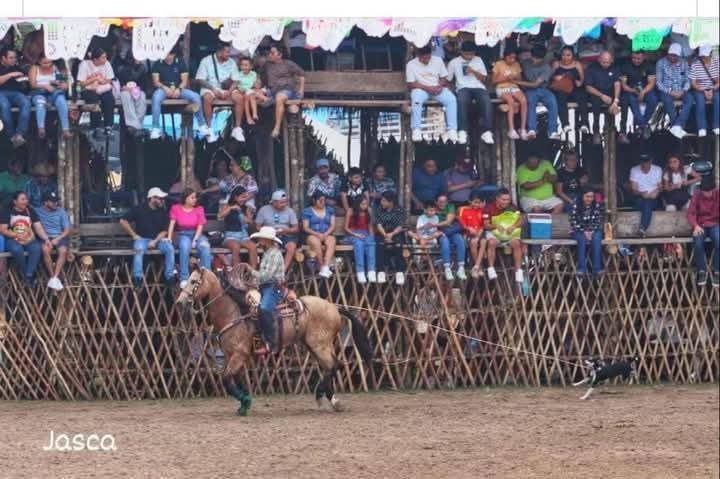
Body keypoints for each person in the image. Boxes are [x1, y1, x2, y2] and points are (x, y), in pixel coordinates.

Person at [120, 187, 176, 288]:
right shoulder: (139, 209)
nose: (162, 201)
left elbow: (164, 231)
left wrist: (155, 241)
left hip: (158, 240)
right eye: (160, 198)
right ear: (152, 198)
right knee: (139, 248)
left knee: (170, 248)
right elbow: (123, 221)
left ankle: (169, 277)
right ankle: (138, 278)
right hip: (142, 239)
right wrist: (134, 235)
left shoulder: (163, 212)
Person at [150, 47, 210, 140]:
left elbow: (184, 80)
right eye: (166, 54)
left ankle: (202, 125)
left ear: (174, 54)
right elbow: (156, 82)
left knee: (196, 96)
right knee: (156, 97)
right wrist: (165, 88)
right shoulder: (158, 63)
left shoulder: (180, 62)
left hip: (179, 89)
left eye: (170, 54)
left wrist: (179, 89)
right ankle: (155, 127)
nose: (168, 57)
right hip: (164, 89)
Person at [406, 44, 458, 143]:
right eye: (423, 58)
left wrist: (440, 86)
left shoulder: (438, 60)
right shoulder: (411, 64)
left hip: (436, 88)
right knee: (416, 100)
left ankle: (452, 129)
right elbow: (411, 84)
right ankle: (416, 129)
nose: (426, 60)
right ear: (418, 55)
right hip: (420, 89)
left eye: (428, 57)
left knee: (451, 99)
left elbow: (443, 77)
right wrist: (427, 88)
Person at [194, 42, 245, 143]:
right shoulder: (206, 61)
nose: (229, 54)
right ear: (219, 52)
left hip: (227, 89)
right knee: (207, 97)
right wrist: (213, 90)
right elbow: (200, 80)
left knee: (239, 97)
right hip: (210, 87)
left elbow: (236, 80)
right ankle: (209, 128)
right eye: (227, 52)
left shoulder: (231, 62)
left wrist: (229, 92)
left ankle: (237, 129)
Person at [446, 41, 494, 145]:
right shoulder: (454, 62)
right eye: (466, 54)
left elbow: (484, 79)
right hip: (463, 87)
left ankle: (487, 131)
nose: (469, 56)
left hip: (478, 87)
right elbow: (448, 80)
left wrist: (473, 71)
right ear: (461, 52)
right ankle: (462, 131)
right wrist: (451, 91)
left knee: (486, 100)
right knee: (462, 100)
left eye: (471, 54)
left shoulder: (478, 60)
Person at [249, 226, 286, 354]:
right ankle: (256, 338)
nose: (259, 239)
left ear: (267, 240)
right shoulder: (267, 252)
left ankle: (271, 343)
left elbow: (266, 276)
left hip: (273, 286)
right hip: (265, 286)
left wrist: (251, 272)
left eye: (261, 238)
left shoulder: (275, 254)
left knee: (264, 308)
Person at [166, 189, 212, 288]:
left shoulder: (199, 209)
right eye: (192, 197)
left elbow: (200, 226)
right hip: (183, 234)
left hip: (196, 234)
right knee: (184, 246)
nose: (195, 199)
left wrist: (195, 240)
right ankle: (184, 278)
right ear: (185, 198)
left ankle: (207, 277)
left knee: (205, 247)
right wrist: (169, 238)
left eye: (195, 197)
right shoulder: (176, 208)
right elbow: (172, 224)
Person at [0, 191, 45, 287]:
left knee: (36, 248)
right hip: (12, 239)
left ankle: (28, 275)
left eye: (26, 199)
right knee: (16, 249)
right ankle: (27, 275)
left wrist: (46, 239)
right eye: (23, 199)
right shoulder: (7, 211)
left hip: (28, 238)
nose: (26, 201)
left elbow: (38, 227)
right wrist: (15, 235)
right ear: (15, 201)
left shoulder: (30, 211)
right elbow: (3, 229)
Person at [260, 43, 305, 138]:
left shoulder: (288, 64)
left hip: (286, 90)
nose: (270, 55)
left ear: (279, 55)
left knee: (279, 97)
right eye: (269, 53)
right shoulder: (267, 65)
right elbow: (258, 69)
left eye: (272, 53)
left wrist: (301, 89)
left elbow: (302, 74)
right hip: (271, 91)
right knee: (252, 94)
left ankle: (277, 127)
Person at [517, 45, 560, 140]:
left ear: (543, 58)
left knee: (553, 102)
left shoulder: (546, 68)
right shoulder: (524, 63)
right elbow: (518, 73)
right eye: (534, 58)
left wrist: (517, 82)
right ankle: (532, 129)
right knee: (531, 102)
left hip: (543, 89)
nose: (535, 60)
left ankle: (553, 131)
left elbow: (536, 84)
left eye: (538, 59)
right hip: (529, 90)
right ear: (531, 55)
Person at [485, 188, 524, 283]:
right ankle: (491, 268)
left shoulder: (513, 207)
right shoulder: (489, 208)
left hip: (509, 233)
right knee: (491, 242)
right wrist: (495, 225)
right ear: (497, 198)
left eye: (508, 200)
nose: (506, 202)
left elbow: (521, 220)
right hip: (495, 233)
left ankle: (518, 271)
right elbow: (486, 225)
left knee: (517, 243)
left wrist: (514, 226)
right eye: (504, 199)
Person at [409, 201, 456, 280]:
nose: (432, 212)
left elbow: (435, 231)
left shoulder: (436, 218)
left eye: (434, 211)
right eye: (430, 210)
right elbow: (418, 230)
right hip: (421, 236)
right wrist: (422, 235)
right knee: (410, 233)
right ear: (425, 210)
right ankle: (423, 257)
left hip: (430, 237)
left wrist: (430, 237)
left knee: (439, 233)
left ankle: (433, 260)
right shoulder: (422, 217)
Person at [656, 43, 694, 139]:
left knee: (689, 99)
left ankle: (677, 125)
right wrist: (670, 91)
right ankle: (676, 126)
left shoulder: (684, 63)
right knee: (667, 100)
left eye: (675, 56)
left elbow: (688, 80)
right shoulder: (661, 63)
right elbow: (659, 83)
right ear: (668, 54)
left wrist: (683, 90)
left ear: (679, 55)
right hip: (667, 91)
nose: (672, 57)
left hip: (681, 90)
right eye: (671, 55)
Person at [29, 54, 71, 140]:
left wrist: (63, 84)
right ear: (39, 62)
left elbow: (63, 81)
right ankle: (41, 128)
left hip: (53, 93)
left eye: (49, 62)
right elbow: (32, 84)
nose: (47, 65)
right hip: (39, 93)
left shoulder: (55, 68)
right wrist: (45, 86)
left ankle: (65, 129)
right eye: (44, 63)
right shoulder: (34, 68)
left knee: (61, 101)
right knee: (40, 104)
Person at [255, 189, 299, 271]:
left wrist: (285, 230)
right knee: (273, 247)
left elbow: (296, 228)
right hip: (269, 236)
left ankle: (282, 271)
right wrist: (268, 231)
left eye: (285, 202)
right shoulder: (264, 210)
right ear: (274, 202)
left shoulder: (290, 211)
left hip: (285, 235)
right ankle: (271, 271)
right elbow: (257, 226)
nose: (284, 204)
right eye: (281, 202)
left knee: (292, 246)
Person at [687, 175, 719, 287]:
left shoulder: (718, 194)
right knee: (697, 243)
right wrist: (695, 225)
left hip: (715, 224)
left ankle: (717, 271)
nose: (707, 194)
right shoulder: (697, 194)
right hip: (700, 225)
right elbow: (690, 213)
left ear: (714, 189)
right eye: (705, 192)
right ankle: (702, 271)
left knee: (719, 241)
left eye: (710, 191)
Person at [619, 51, 658, 142]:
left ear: (643, 57)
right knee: (632, 101)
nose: (636, 60)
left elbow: (652, 83)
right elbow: (624, 85)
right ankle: (643, 126)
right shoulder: (626, 66)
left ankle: (642, 124)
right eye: (634, 58)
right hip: (630, 90)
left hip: (646, 90)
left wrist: (643, 92)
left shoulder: (648, 66)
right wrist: (633, 90)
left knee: (653, 100)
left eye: (638, 58)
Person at [36, 191, 71, 291]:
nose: (56, 203)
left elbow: (67, 230)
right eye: (53, 202)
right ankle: (53, 277)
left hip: (59, 236)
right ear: (45, 202)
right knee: (45, 250)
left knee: (63, 251)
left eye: (56, 201)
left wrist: (57, 239)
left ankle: (55, 276)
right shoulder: (37, 211)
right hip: (46, 238)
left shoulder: (61, 211)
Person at [584, 51, 621, 145]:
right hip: (596, 92)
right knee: (595, 103)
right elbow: (588, 87)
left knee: (620, 103)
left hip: (610, 92)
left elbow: (617, 84)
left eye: (608, 62)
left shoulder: (615, 68)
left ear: (611, 60)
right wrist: (601, 95)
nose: (605, 64)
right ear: (599, 59)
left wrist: (616, 100)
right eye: (603, 62)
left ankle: (614, 129)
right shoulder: (591, 68)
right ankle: (596, 131)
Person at [492, 46, 527, 140]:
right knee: (510, 101)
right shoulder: (499, 64)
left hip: (513, 86)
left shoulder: (516, 64)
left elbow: (520, 79)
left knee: (523, 100)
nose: (512, 60)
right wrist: (505, 78)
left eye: (514, 58)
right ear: (505, 57)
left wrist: (514, 77)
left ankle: (523, 129)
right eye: (510, 57)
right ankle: (511, 130)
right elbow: (494, 81)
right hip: (502, 88)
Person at [551, 46, 589, 134]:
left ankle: (584, 124)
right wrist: (556, 77)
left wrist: (578, 81)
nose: (565, 57)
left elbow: (582, 79)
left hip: (575, 88)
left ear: (573, 56)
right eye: (563, 55)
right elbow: (549, 76)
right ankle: (565, 124)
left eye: (568, 55)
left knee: (582, 96)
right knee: (560, 97)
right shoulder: (557, 64)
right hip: (562, 88)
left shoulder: (577, 64)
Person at [218, 186, 258, 269]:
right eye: (242, 197)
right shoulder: (227, 206)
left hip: (244, 236)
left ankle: (252, 273)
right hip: (230, 236)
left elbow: (250, 222)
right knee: (236, 247)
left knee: (253, 247)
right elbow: (220, 216)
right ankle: (237, 274)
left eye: (246, 197)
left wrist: (247, 216)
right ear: (236, 197)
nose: (245, 199)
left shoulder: (246, 208)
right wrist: (231, 208)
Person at [77, 47, 116, 131]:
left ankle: (108, 126)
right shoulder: (85, 64)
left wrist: (101, 81)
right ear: (95, 60)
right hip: (88, 89)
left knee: (109, 99)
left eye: (105, 57)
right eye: (103, 57)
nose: (105, 59)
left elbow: (109, 79)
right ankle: (95, 127)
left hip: (102, 88)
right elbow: (80, 84)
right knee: (94, 100)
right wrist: (94, 79)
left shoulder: (107, 64)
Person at [569, 187, 605, 277]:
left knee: (597, 238)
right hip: (578, 230)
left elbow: (597, 221)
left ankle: (597, 268)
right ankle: (581, 268)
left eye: (591, 197)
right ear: (582, 196)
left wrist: (591, 231)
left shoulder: (596, 205)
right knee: (581, 239)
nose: (589, 199)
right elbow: (573, 222)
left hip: (593, 230)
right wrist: (584, 231)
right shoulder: (575, 205)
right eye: (587, 196)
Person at [374, 191, 407, 285]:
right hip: (382, 232)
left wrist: (391, 234)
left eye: (384, 201)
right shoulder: (379, 209)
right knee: (379, 244)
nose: (382, 203)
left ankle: (399, 271)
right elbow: (378, 224)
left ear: (391, 201)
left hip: (396, 232)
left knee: (398, 244)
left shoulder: (399, 210)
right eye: (381, 200)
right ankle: (380, 271)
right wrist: (385, 235)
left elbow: (400, 225)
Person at [0, 47, 31, 147]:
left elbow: (26, 79)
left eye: (15, 58)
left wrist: (24, 79)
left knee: (26, 102)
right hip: (1, 92)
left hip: (15, 93)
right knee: (5, 106)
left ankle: (19, 134)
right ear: (3, 58)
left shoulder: (16, 67)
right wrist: (10, 75)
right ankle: (11, 135)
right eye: (11, 58)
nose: (14, 60)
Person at [302, 191, 336, 278]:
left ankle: (326, 266)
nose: (322, 202)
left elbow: (332, 225)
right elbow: (306, 227)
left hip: (326, 233)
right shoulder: (307, 211)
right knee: (316, 242)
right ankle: (321, 266)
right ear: (314, 200)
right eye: (320, 200)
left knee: (332, 241)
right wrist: (317, 234)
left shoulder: (330, 210)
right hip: (312, 234)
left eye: (324, 200)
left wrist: (325, 234)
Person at [113, 53, 147, 134]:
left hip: (137, 89)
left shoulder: (142, 68)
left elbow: (145, 83)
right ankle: (133, 124)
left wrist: (137, 88)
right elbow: (116, 80)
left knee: (142, 96)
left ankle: (137, 124)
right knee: (126, 96)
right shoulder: (122, 67)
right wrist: (123, 87)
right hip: (124, 90)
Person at [689, 45, 719, 137]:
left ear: (710, 54)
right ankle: (702, 127)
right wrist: (703, 90)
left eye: (705, 56)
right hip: (699, 89)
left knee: (718, 99)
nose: (704, 58)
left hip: (714, 88)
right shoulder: (695, 64)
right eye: (702, 56)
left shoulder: (717, 62)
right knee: (700, 100)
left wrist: (713, 88)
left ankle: (716, 126)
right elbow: (693, 83)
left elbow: (719, 80)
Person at [436, 193, 467, 280]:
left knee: (460, 240)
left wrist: (435, 224)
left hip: (451, 231)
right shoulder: (432, 209)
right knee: (445, 241)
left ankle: (461, 267)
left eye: (445, 202)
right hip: (441, 233)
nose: (443, 204)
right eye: (440, 202)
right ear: (436, 202)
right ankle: (447, 268)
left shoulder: (450, 206)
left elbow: (448, 221)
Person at [629, 153, 663, 236]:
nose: (644, 164)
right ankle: (642, 229)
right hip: (639, 199)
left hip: (654, 199)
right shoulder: (634, 170)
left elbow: (661, 187)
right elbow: (633, 189)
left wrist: (656, 193)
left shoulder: (657, 169)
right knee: (646, 203)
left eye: (646, 162)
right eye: (642, 162)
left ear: (651, 161)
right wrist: (642, 193)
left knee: (648, 204)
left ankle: (642, 229)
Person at [345, 196, 376, 284]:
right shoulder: (350, 211)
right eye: (363, 204)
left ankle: (371, 271)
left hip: (365, 233)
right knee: (359, 244)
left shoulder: (368, 211)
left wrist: (371, 237)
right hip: (352, 234)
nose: (365, 206)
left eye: (366, 204)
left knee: (371, 243)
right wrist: (356, 234)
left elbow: (370, 227)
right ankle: (360, 272)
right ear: (357, 204)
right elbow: (346, 228)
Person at [458, 191, 487, 279]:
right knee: (474, 242)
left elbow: (483, 225)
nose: (476, 204)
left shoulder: (482, 211)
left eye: (479, 202)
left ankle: (476, 266)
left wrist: (479, 233)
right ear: (470, 201)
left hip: (480, 232)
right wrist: (468, 228)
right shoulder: (463, 209)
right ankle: (479, 267)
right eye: (475, 202)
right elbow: (461, 223)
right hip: (469, 234)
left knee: (483, 241)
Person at [237, 56, 268, 126]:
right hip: (244, 91)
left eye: (246, 65)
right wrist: (246, 89)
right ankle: (263, 99)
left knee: (253, 94)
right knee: (250, 95)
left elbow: (256, 85)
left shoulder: (253, 74)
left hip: (252, 91)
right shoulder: (239, 75)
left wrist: (257, 83)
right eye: (242, 65)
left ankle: (254, 113)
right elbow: (239, 87)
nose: (244, 67)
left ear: (251, 66)